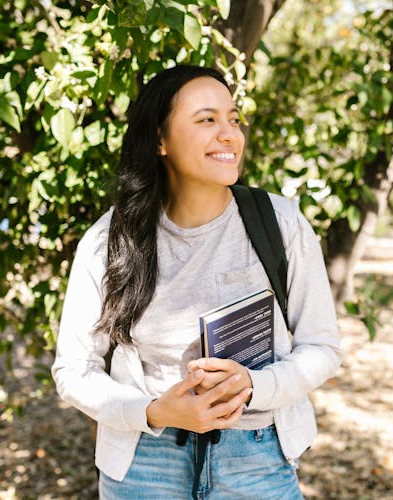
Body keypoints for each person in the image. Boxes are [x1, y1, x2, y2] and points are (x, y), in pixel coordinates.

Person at [51, 64, 341, 499]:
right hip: (145, 463)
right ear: (160, 140)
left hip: (256, 459)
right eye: (207, 119)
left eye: (233, 119)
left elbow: (322, 348)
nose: (229, 134)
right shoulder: (109, 240)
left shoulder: (281, 225)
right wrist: (152, 410)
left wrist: (254, 385)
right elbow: (73, 370)